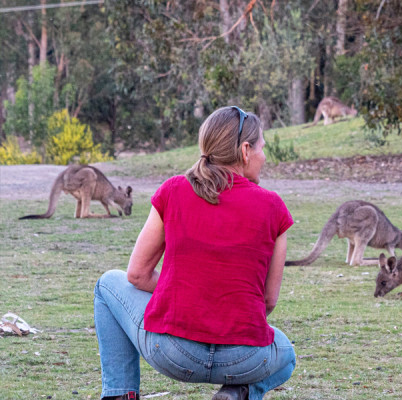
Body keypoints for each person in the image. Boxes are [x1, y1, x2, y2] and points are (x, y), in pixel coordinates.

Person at [93, 106, 296, 400]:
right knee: (286, 353)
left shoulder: (174, 190)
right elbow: (268, 300)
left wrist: (185, 294)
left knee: (107, 283)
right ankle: (238, 393)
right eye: (263, 148)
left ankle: (119, 395)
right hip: (245, 360)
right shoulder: (273, 206)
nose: (265, 157)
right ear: (246, 150)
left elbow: (136, 275)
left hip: (173, 353)